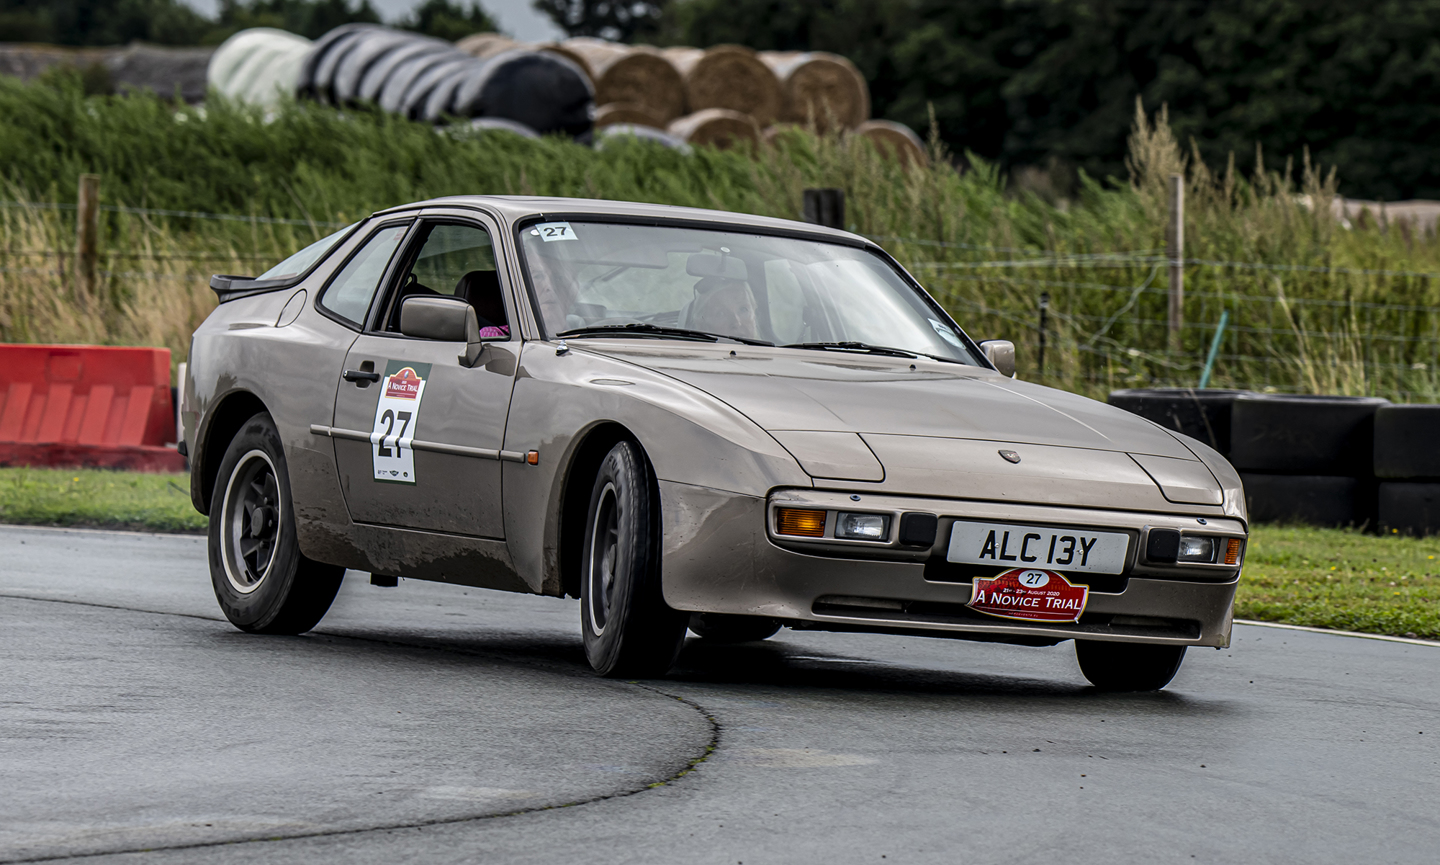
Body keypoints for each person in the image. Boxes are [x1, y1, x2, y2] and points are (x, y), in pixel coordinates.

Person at [688, 276, 759, 340]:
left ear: (754, 314)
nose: (737, 323)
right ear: (702, 327)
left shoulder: (765, 348)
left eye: (743, 309)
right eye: (721, 314)